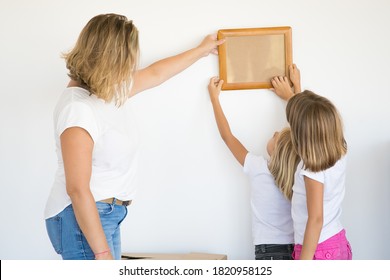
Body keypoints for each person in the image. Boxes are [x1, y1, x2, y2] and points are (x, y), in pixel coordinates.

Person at [44, 13, 225, 260]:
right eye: (127, 57)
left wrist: (202, 50)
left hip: (105, 214)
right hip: (82, 217)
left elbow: (156, 73)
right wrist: (102, 252)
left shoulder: (104, 91)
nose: (131, 64)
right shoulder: (78, 109)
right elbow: (76, 188)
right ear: (109, 57)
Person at [207, 77, 300, 260]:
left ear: (278, 151)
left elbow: (227, 137)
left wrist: (214, 99)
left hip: (268, 250)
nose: (274, 133)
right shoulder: (297, 172)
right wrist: (294, 90)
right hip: (296, 247)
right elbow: (301, 128)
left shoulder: (259, 168)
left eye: (277, 137)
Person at [271, 65, 352, 260]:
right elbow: (310, 123)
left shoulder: (312, 171)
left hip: (317, 249)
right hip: (337, 241)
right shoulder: (339, 150)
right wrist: (294, 91)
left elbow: (315, 220)